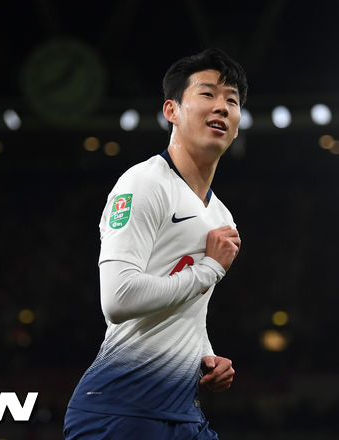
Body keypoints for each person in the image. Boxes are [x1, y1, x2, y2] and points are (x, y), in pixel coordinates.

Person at [64, 48, 248, 440]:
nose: (222, 106)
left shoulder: (222, 217)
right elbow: (118, 299)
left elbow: (187, 310)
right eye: (207, 94)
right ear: (171, 110)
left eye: (232, 100)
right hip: (119, 411)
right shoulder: (143, 183)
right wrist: (210, 269)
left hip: (182, 413)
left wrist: (204, 353)